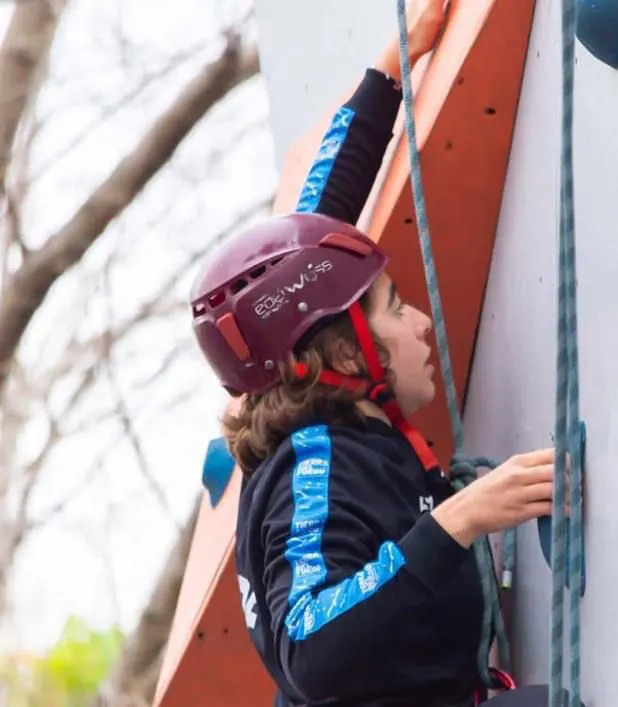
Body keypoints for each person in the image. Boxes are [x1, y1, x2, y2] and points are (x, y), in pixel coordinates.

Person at [187, 2, 556, 705]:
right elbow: (308, 645)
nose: (420, 321)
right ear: (346, 357)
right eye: (394, 306)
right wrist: (460, 518)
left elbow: (308, 239)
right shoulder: (316, 464)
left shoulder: (314, 422)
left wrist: (390, 70)